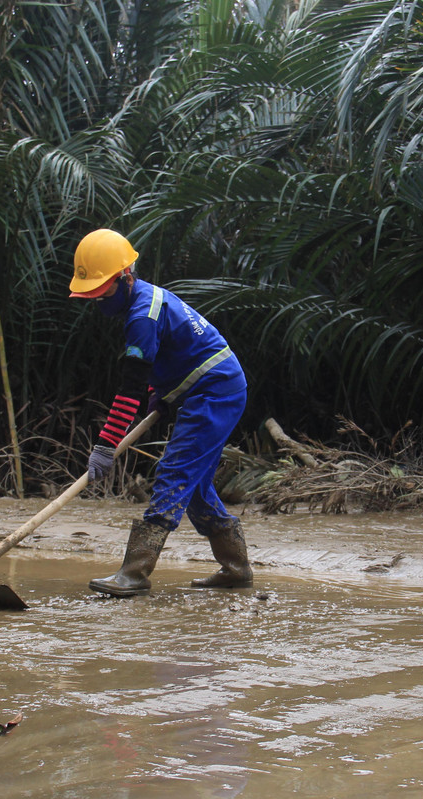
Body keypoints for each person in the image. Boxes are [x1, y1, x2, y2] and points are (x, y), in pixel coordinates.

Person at [69, 228, 252, 597]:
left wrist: (106, 445)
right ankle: (236, 569)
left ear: (124, 278)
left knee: (174, 471)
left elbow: (130, 388)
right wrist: (161, 396)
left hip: (215, 391)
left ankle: (134, 574)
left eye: (101, 292)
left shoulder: (142, 316)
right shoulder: (145, 300)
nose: (97, 301)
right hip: (208, 387)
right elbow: (168, 357)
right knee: (195, 486)